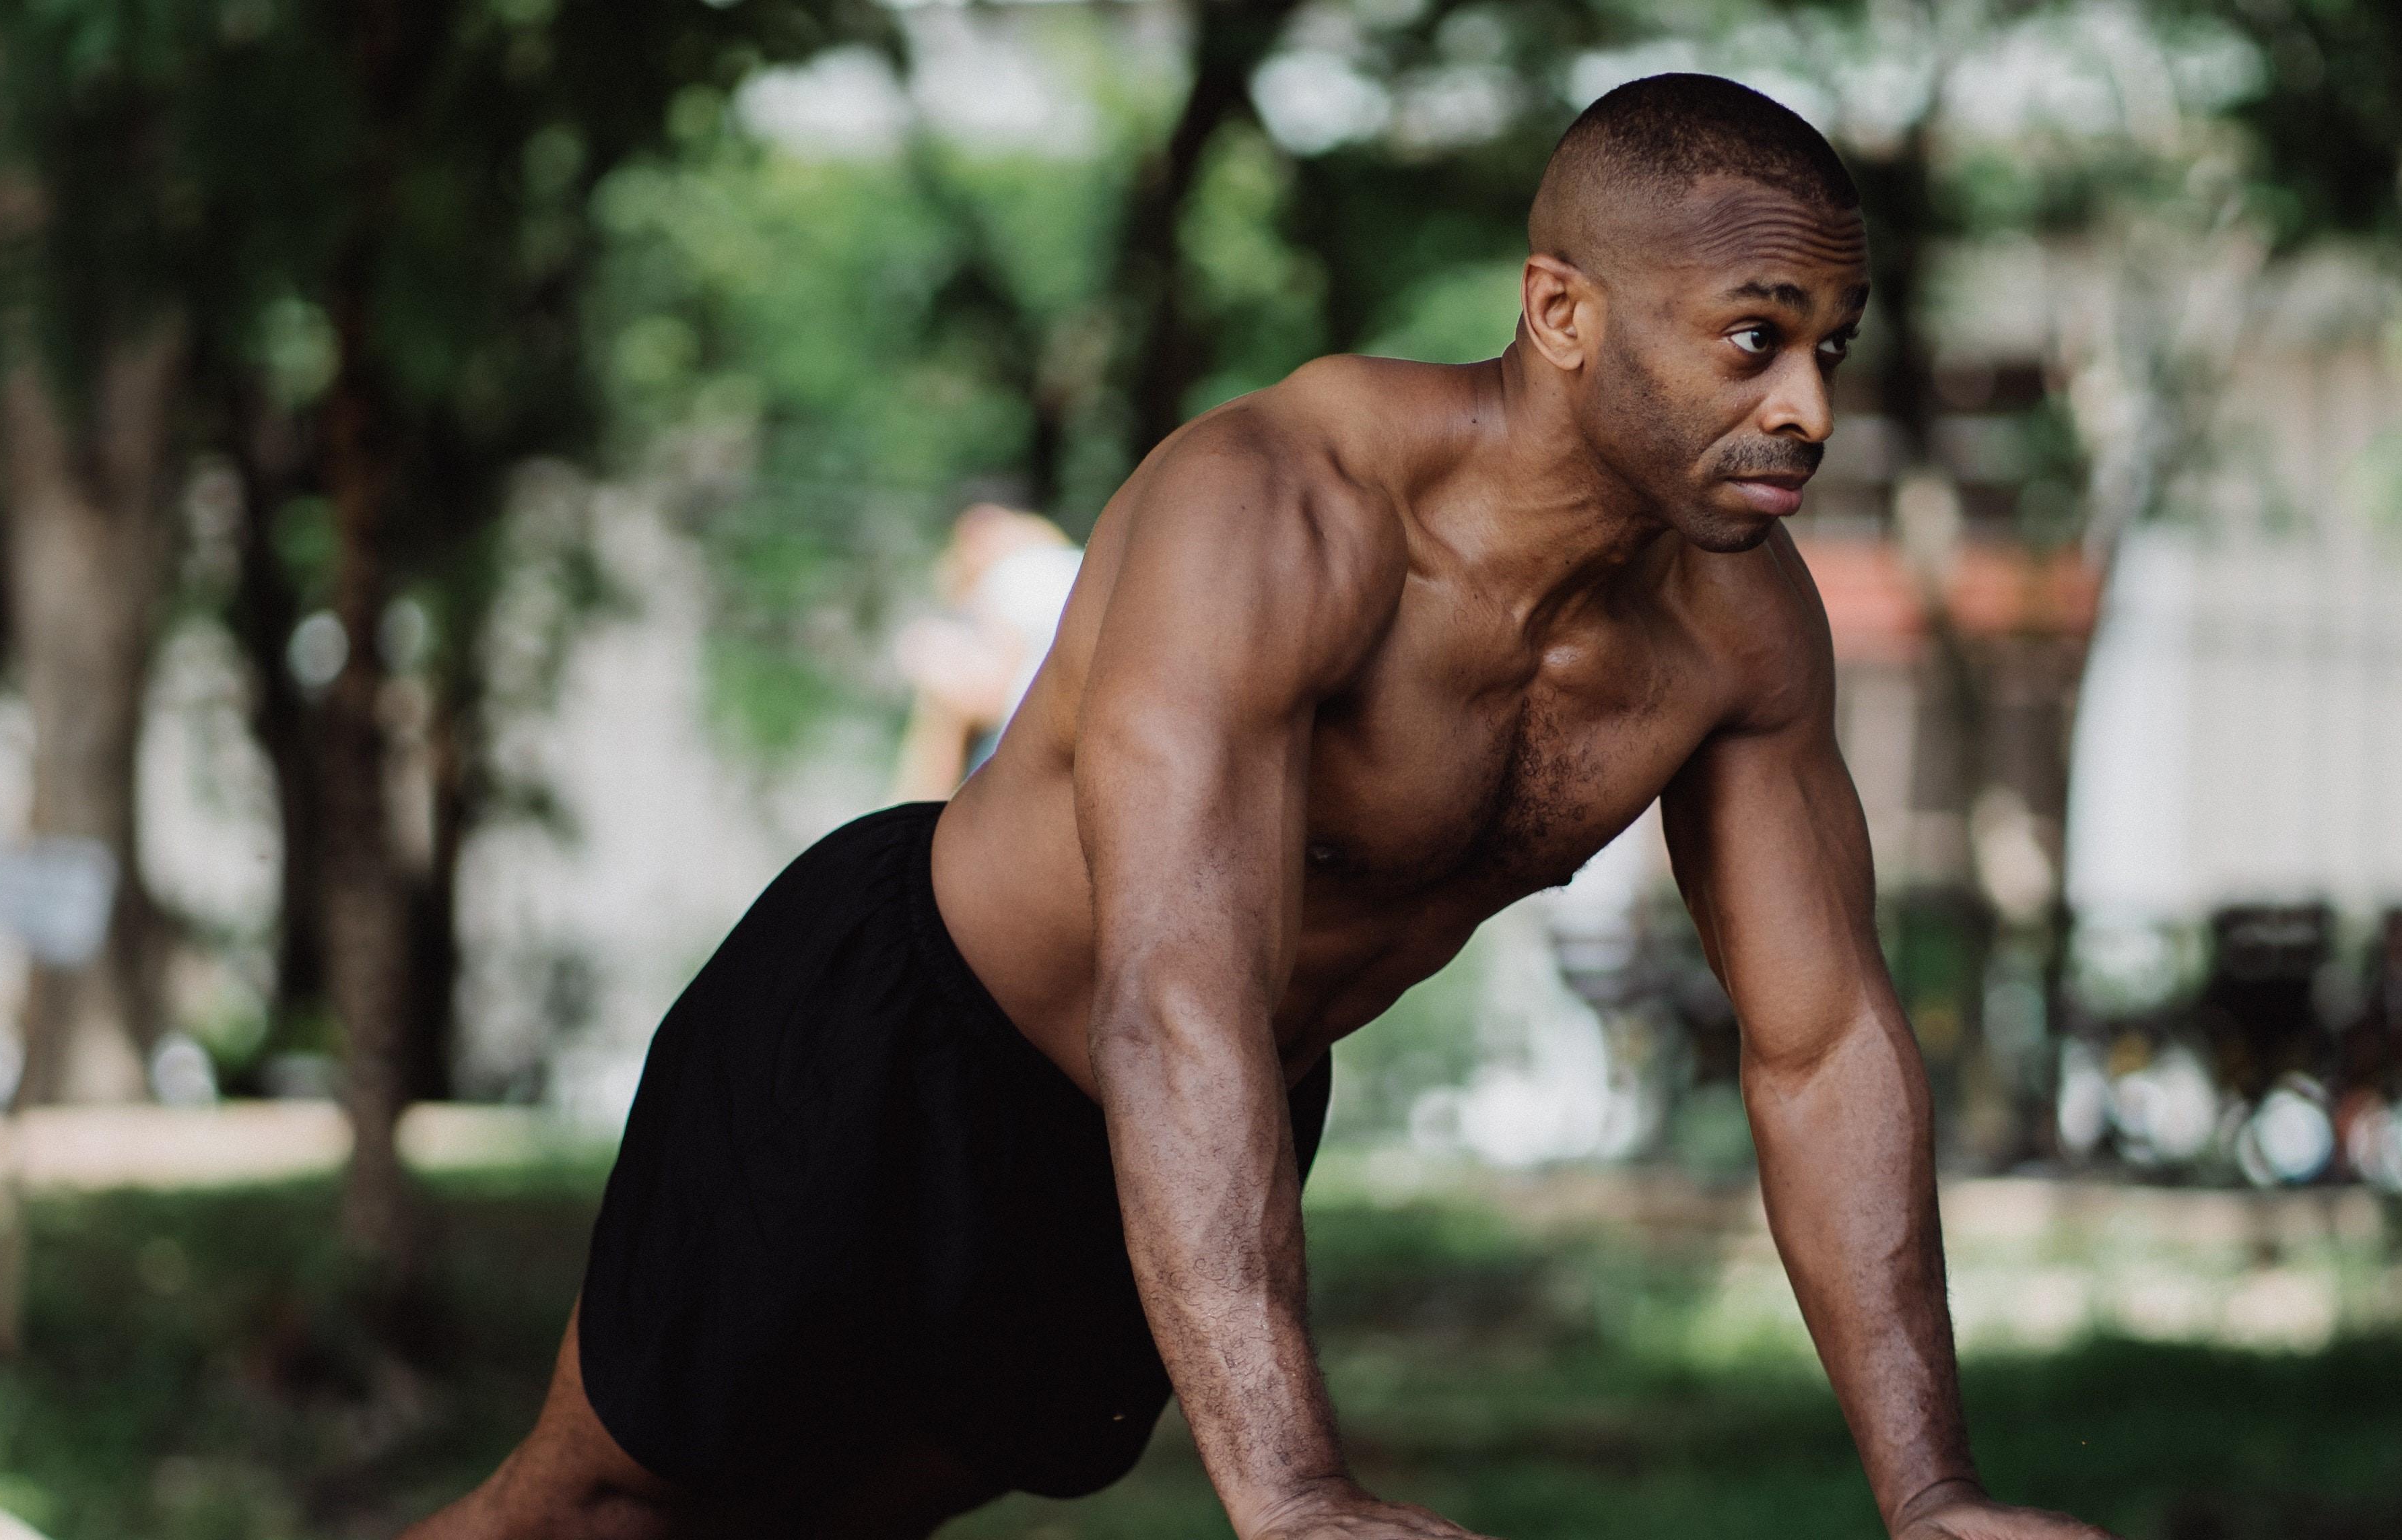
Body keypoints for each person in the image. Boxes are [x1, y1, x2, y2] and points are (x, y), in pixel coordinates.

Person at [410, 74, 2114, 1540]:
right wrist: (1292, 1491)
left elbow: (1819, 1046)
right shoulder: (1275, 509)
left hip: (1185, 1124)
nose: (1806, 408)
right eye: (1754, 338)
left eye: (1828, 347)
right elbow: (1173, 987)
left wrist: (1929, 1493)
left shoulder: (1739, 630)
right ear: (1561, 313)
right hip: (908, 1036)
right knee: (593, 1512)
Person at [889, 503, 1084, 803]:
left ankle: (918, 807)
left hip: (1039, 762)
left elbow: (996, 695)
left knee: (932, 657)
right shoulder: (1075, 565)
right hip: (1074, 748)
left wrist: (929, 663)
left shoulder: (1012, 575)